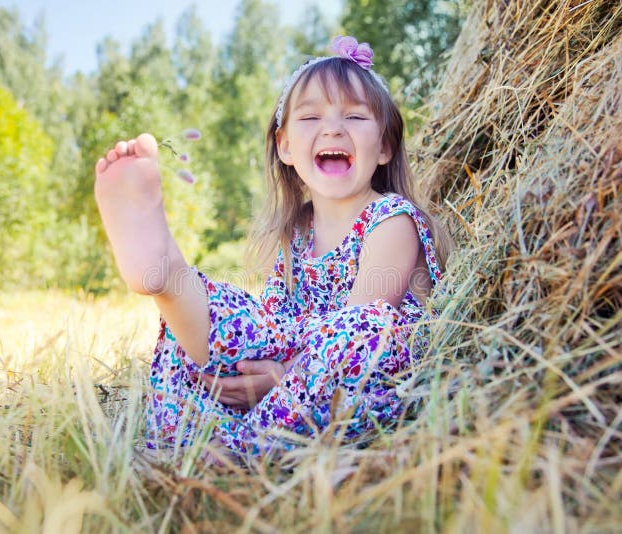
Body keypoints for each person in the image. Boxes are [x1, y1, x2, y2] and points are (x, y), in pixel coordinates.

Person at [94, 36, 453, 460]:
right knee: (199, 329)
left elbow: (362, 329)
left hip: (369, 386)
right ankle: (167, 274)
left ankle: (240, 448)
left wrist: (285, 377)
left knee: (365, 329)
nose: (333, 128)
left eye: (355, 116)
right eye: (311, 116)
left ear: (385, 147)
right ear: (284, 147)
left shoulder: (391, 219)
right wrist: (248, 348)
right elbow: (273, 322)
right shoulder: (295, 234)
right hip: (293, 376)